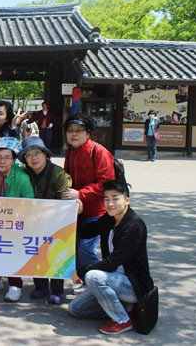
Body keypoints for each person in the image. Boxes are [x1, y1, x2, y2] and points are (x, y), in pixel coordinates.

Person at [69, 180, 154, 335]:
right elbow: (87, 232)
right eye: (106, 199)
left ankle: (122, 320)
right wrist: (80, 214)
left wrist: (80, 272)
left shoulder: (134, 226)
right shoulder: (110, 218)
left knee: (93, 277)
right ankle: (125, 307)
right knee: (76, 309)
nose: (110, 203)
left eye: (115, 198)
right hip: (113, 279)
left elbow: (111, 263)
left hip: (133, 285)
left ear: (127, 200)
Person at [18, 136, 72, 304]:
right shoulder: (24, 172)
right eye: (28, 155)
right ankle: (40, 286)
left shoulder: (58, 174)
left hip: (57, 220)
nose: (33, 158)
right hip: (33, 220)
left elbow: (66, 200)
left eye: (37, 153)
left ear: (45, 154)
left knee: (56, 254)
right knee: (36, 251)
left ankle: (57, 289)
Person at [0, 137, 34, 302]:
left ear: (13, 159)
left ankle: (15, 284)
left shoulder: (22, 178)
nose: (2, 161)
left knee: (11, 250)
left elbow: (30, 202)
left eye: (7, 157)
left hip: (15, 222)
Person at [61, 114, 115, 280]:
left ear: (88, 133)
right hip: (77, 210)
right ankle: (85, 281)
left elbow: (107, 183)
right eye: (70, 130)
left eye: (78, 130)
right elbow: (67, 177)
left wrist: (80, 193)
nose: (73, 134)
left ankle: (101, 281)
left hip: (97, 211)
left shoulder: (99, 152)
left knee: (85, 249)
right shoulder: (71, 151)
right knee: (75, 248)